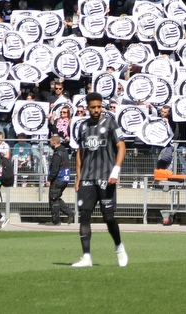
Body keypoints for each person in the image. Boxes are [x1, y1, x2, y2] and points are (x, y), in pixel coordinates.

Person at [72, 93, 128, 267]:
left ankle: (119, 247)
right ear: (87, 107)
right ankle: (86, 257)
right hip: (87, 178)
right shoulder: (82, 127)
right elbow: (80, 153)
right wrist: (78, 176)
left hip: (106, 176)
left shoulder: (111, 123)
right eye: (93, 107)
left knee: (108, 217)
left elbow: (121, 146)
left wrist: (115, 171)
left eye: (99, 107)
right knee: (84, 216)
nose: (96, 110)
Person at [44, 135, 74, 226]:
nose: (49, 143)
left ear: (54, 142)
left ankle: (56, 221)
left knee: (53, 199)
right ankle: (69, 213)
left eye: (50, 141)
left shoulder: (57, 154)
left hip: (58, 179)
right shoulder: (64, 152)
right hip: (65, 179)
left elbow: (54, 169)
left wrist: (49, 179)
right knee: (56, 198)